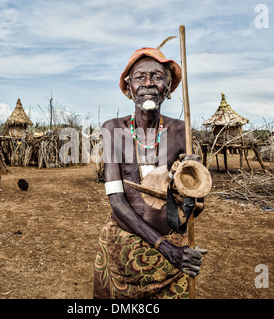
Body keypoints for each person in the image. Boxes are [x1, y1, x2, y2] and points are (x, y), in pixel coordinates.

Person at [93, 47, 207, 299]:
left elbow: (195, 207)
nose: (148, 83)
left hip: (173, 249)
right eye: (139, 77)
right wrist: (166, 249)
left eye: (156, 77)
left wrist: (192, 181)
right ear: (128, 88)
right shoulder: (113, 129)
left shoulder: (181, 131)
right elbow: (117, 202)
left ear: (167, 88)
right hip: (123, 247)